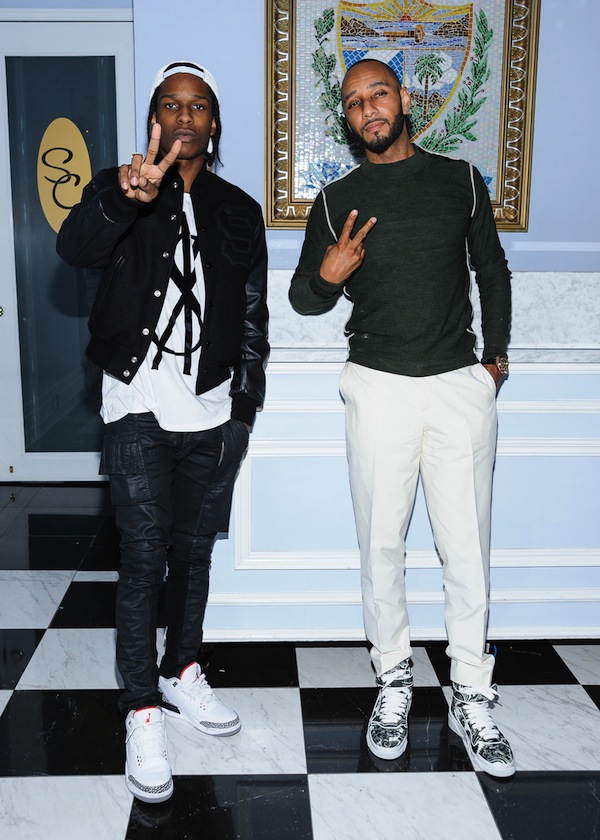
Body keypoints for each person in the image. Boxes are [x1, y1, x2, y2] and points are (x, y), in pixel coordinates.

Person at [289, 58, 515, 778]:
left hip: (457, 385)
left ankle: (472, 690)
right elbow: (302, 298)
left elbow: (492, 271)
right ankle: (393, 679)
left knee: (466, 548)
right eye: (354, 101)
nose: (368, 109)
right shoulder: (336, 200)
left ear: (405, 98)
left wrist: (494, 362)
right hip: (377, 386)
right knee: (381, 545)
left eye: (378, 93)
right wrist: (327, 276)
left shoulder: (461, 181)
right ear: (348, 118)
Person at [57, 60, 269, 803]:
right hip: (137, 405)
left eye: (199, 105)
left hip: (212, 410)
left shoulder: (239, 210)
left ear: (215, 123)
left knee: (194, 554)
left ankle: (182, 671)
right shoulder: (121, 187)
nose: (185, 115)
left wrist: (244, 406)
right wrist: (124, 198)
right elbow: (75, 248)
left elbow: (252, 315)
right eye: (171, 105)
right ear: (154, 120)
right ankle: (141, 709)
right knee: (144, 557)